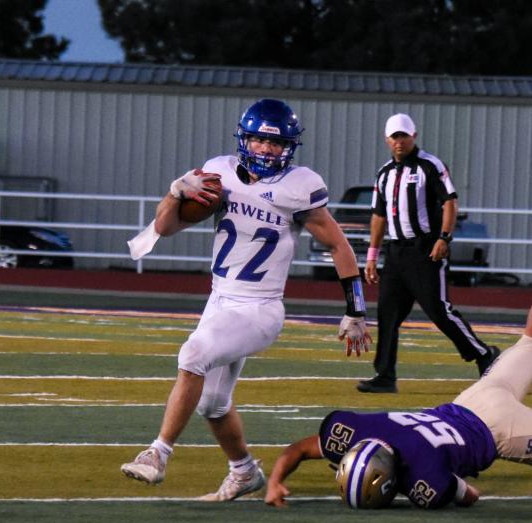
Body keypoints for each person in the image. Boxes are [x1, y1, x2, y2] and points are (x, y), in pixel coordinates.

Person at [265, 209, 532, 508]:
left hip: (500, 432)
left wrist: (410, 484)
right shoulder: (359, 431)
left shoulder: (424, 478)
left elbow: (469, 495)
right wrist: (275, 479)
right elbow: (296, 450)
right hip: (474, 399)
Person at [120, 98, 371, 501]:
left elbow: (339, 246)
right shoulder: (219, 175)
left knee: (192, 355)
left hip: (259, 308)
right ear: (244, 139)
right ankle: (244, 471)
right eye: (258, 141)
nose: (267, 150)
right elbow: (166, 227)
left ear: (289, 147)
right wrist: (174, 191)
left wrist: (356, 309)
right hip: (219, 301)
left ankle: (158, 453)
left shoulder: (299, 186)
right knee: (213, 403)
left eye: (275, 144)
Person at [356, 113, 498, 393]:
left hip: (425, 249)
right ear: (387, 140)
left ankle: (483, 354)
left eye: (404, 136)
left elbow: (450, 202)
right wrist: (372, 255)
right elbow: (378, 216)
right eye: (394, 137)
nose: (399, 142)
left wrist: (444, 237)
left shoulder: (429, 166)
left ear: (414, 136)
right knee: (387, 313)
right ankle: (385, 375)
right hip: (396, 252)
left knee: (439, 311)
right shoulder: (384, 173)